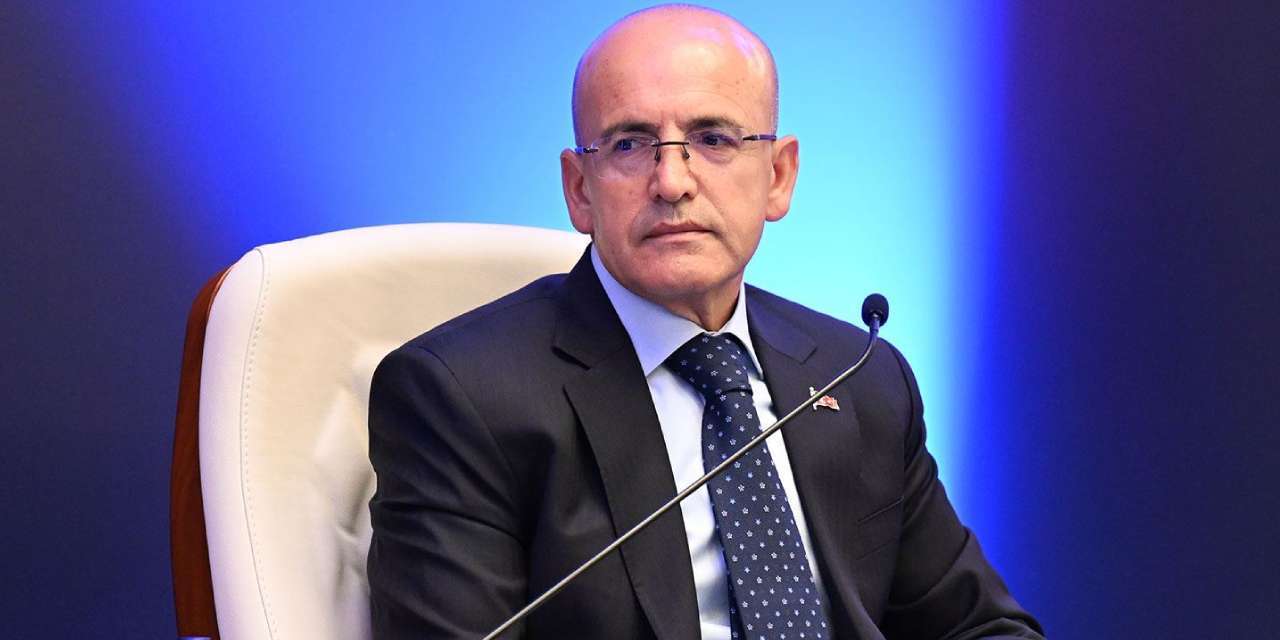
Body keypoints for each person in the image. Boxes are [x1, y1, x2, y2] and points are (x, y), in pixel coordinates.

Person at [367, 5, 1043, 639]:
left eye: (713, 138)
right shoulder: (461, 397)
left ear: (778, 175)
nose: (672, 181)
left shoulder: (860, 376)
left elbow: (981, 628)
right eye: (630, 144)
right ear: (579, 190)